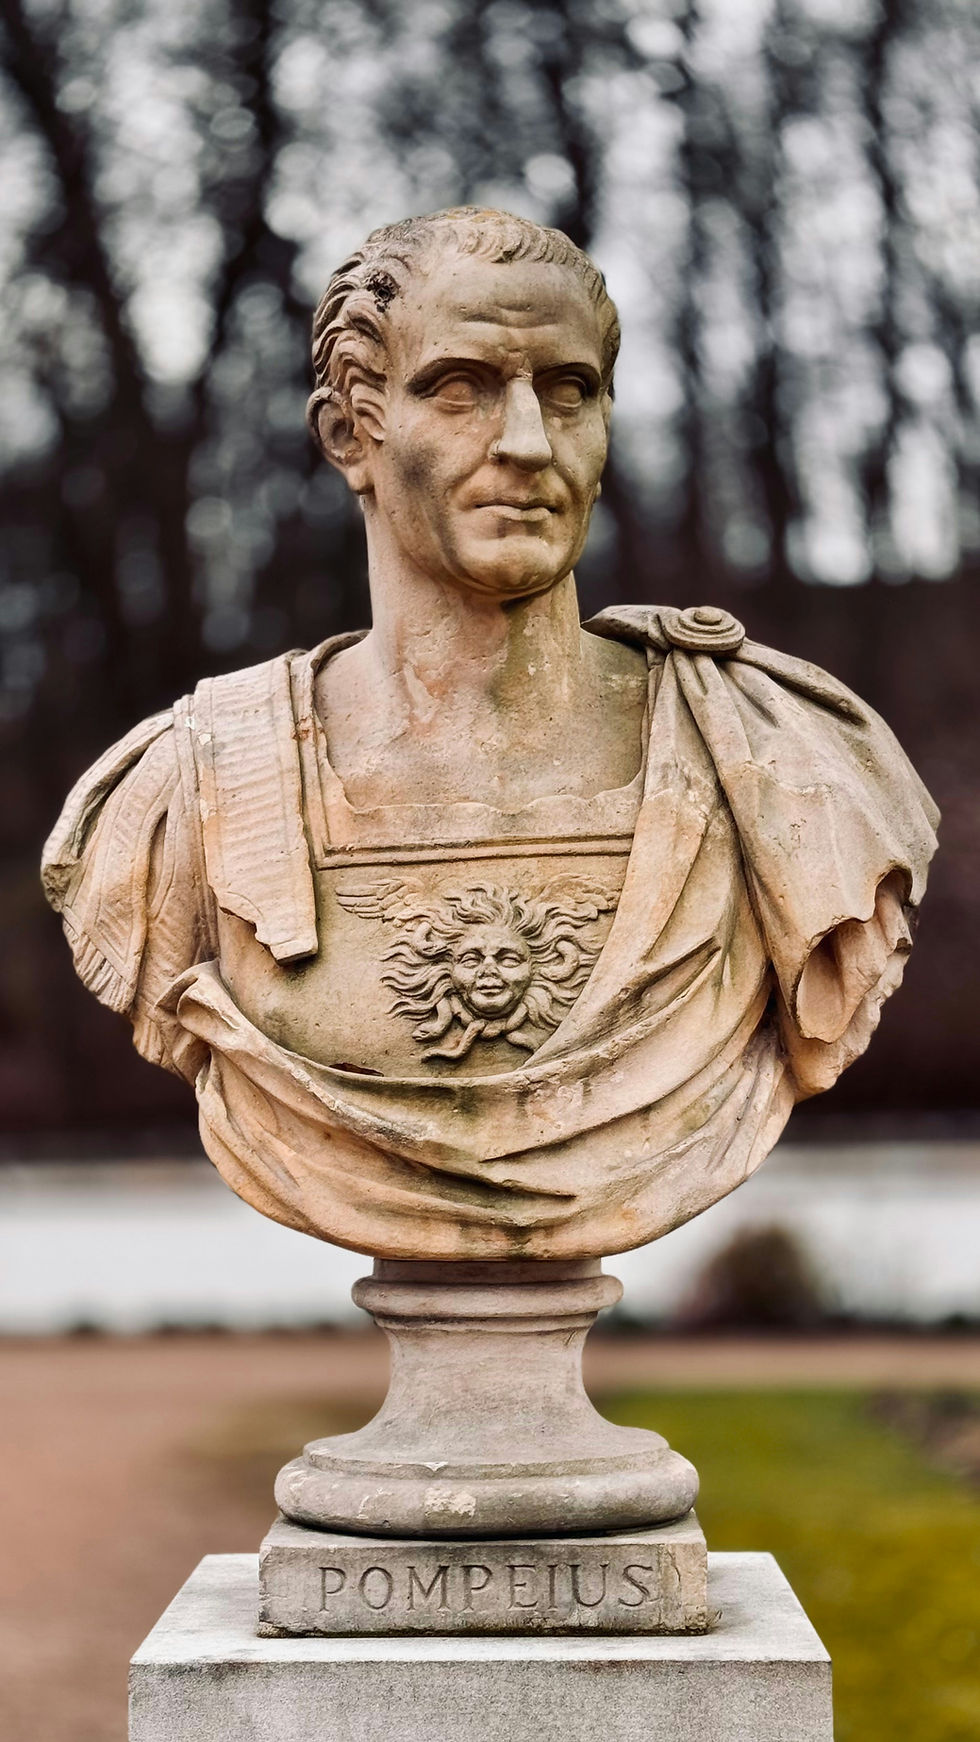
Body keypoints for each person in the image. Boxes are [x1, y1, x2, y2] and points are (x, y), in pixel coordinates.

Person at [41, 208, 938, 1261]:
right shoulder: (189, 786)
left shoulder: (780, 759)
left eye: (569, 392)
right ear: (350, 436)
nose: (524, 443)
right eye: (458, 388)